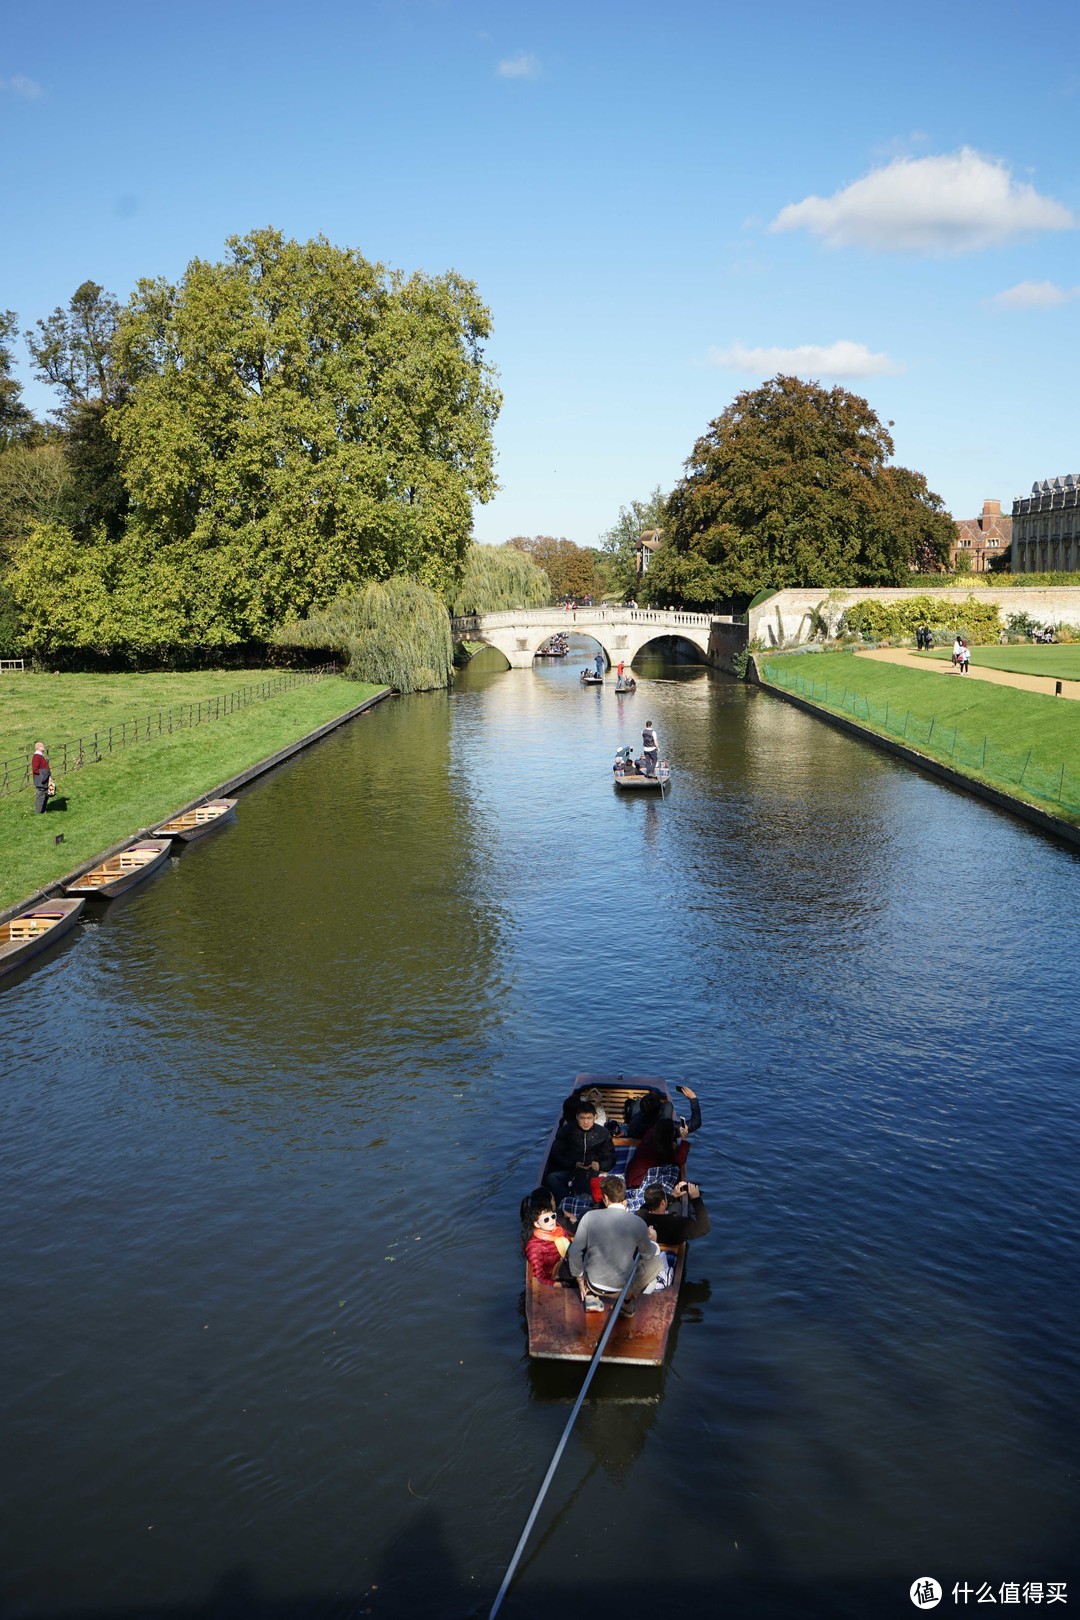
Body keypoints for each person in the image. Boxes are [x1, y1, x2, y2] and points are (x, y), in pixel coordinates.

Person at [566, 1175, 662, 1317]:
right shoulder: (638, 1222)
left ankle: (592, 1295)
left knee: (587, 1251)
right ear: (624, 1198)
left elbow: (574, 1252)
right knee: (656, 1262)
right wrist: (655, 1244)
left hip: (593, 1284)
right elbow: (647, 1254)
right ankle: (627, 1300)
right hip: (621, 1288)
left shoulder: (589, 1217)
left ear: (605, 1198)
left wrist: (580, 1280)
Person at [545, 1101, 616, 1202]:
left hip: (594, 1172)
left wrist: (600, 1165)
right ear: (577, 1117)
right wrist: (574, 1164)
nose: (586, 1122)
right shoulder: (567, 1131)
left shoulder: (603, 1133)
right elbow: (556, 1155)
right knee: (552, 1178)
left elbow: (611, 1157)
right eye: (582, 1118)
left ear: (595, 1117)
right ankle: (568, 1201)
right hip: (572, 1171)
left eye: (589, 1118)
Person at [521, 1188, 574, 1285]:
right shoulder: (534, 1246)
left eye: (553, 1216)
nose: (551, 1221)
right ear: (537, 1224)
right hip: (557, 1275)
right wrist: (556, 1284)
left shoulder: (558, 1229)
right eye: (546, 1220)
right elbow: (539, 1276)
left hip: (567, 1263)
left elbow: (571, 1246)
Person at [625, 1116, 690, 1189]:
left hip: (632, 1173)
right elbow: (680, 1159)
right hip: (638, 1181)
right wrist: (683, 1138)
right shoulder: (660, 1149)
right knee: (674, 1169)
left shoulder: (651, 1133)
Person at [640, 1180, 711, 1244]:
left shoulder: (640, 1215)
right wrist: (696, 1199)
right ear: (663, 1203)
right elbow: (704, 1227)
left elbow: (647, 1205)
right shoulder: (677, 1224)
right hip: (669, 1242)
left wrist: (674, 1196)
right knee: (677, 1205)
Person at [624, 1084, 701, 1140]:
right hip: (659, 1133)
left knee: (635, 1104)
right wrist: (693, 1098)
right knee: (668, 1105)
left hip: (639, 1130)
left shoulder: (634, 1122)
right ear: (660, 1111)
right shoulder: (667, 1127)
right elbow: (696, 1122)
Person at [31, 741, 51, 814]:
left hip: (44, 779)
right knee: (40, 796)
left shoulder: (40, 756)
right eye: (42, 746)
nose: (44, 747)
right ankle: (39, 812)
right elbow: (35, 769)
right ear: (38, 747)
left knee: (45, 795)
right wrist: (45, 773)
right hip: (40, 780)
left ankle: (43, 810)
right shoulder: (36, 756)